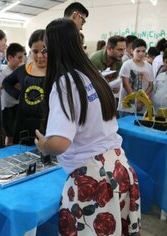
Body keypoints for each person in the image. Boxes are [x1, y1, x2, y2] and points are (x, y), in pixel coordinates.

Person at [35, 18, 141, 236]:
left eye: (46, 49)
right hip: (118, 165)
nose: (44, 54)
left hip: (92, 178)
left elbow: (60, 143)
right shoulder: (91, 74)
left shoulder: (65, 83)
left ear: (53, 49)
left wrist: (44, 145)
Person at [3, 29, 47, 145]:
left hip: (47, 126)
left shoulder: (57, 72)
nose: (39, 56)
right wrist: (18, 95)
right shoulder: (23, 70)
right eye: (35, 51)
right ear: (30, 52)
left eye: (44, 51)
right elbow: (6, 82)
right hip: (23, 124)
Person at [0, 43, 25, 146]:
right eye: (19, 58)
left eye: (22, 57)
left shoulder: (21, 72)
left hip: (18, 106)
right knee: (10, 136)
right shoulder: (5, 73)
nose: (22, 60)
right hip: (8, 109)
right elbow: (0, 87)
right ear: (9, 57)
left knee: (18, 134)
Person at [117, 39, 154, 117]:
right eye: (138, 51)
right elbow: (126, 84)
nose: (141, 53)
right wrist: (137, 100)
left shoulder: (149, 66)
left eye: (143, 51)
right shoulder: (127, 64)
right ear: (132, 51)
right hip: (127, 107)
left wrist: (142, 100)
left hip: (142, 107)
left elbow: (150, 85)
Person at [90, 36, 127, 102]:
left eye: (124, 49)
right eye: (120, 50)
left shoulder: (118, 61)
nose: (123, 53)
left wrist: (115, 87)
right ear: (109, 48)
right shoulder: (94, 60)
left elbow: (114, 80)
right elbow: (89, 84)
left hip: (105, 95)